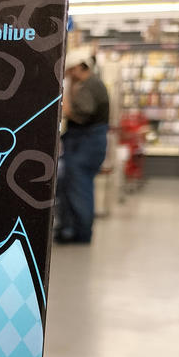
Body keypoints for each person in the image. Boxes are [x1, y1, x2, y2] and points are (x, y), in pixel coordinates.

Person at [56, 47, 110, 244]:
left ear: (80, 67)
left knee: (79, 189)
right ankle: (73, 228)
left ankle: (79, 232)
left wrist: (66, 102)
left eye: (71, 70)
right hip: (87, 143)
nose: (70, 74)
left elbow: (82, 113)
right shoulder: (93, 84)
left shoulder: (89, 85)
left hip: (85, 144)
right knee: (76, 187)